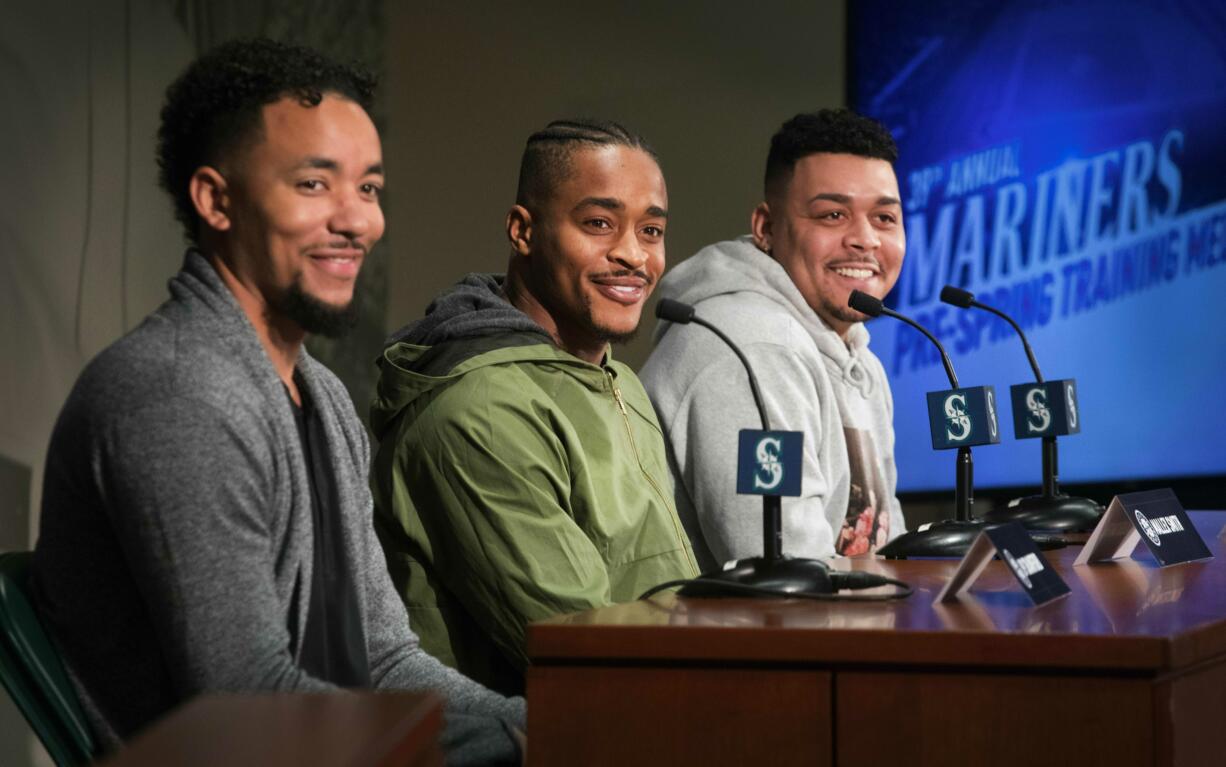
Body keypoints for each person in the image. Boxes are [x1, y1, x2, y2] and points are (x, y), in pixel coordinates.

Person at [32, 38, 522, 764]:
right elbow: (250, 705)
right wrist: (521, 737)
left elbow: (382, 656)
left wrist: (539, 721)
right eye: (314, 184)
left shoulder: (320, 394)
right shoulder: (173, 392)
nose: (358, 220)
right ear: (216, 199)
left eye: (369, 188)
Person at [370, 119, 699, 694]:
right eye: (599, 224)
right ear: (523, 231)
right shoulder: (482, 412)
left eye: (650, 231)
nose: (632, 254)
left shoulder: (617, 379)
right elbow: (586, 650)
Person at [640, 108, 908, 571]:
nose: (865, 239)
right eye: (833, 214)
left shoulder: (859, 360)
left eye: (884, 218)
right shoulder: (753, 346)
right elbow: (784, 576)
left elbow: (888, 546)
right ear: (766, 228)